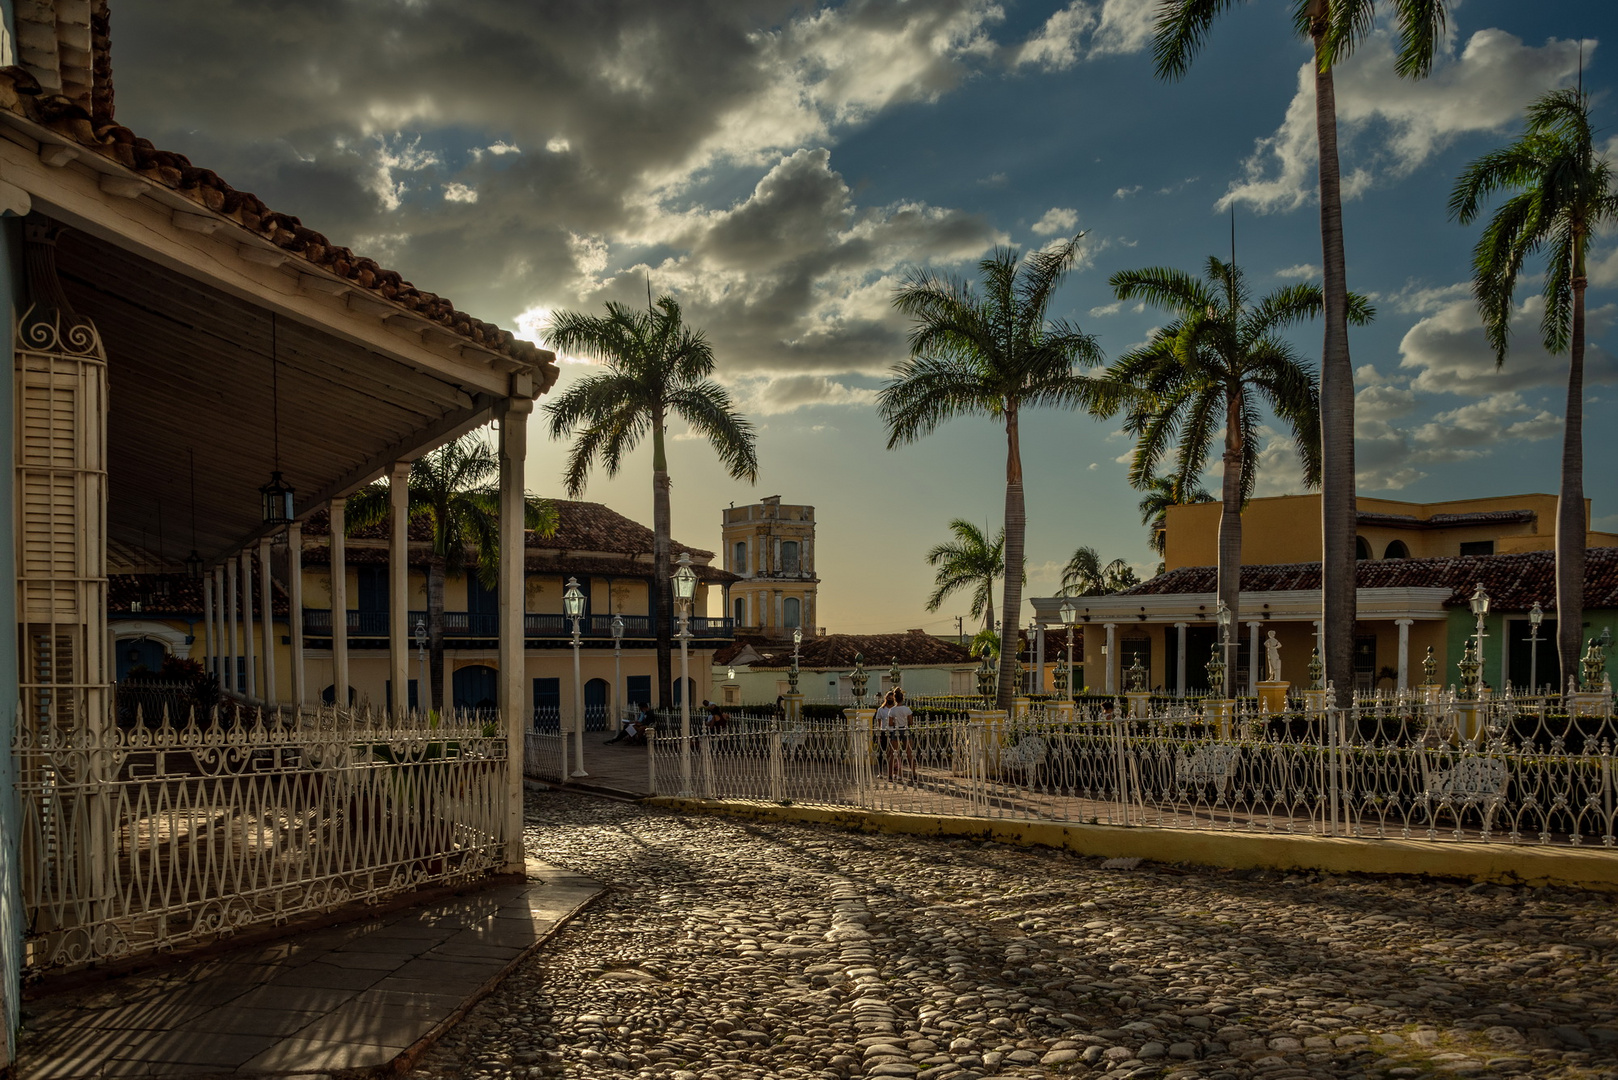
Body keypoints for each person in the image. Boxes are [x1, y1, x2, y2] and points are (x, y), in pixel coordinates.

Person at [887, 689, 915, 779]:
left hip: (897, 730)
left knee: (893, 753)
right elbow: (911, 722)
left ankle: (890, 775)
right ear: (902, 699)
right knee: (909, 753)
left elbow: (890, 723)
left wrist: (896, 723)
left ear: (894, 699)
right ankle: (913, 774)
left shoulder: (892, 710)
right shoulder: (907, 709)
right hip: (905, 729)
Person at [874, 692, 893, 775]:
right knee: (882, 751)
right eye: (889, 698)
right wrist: (879, 730)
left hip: (893, 731)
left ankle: (893, 770)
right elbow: (878, 720)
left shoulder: (895, 709)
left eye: (892, 698)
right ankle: (881, 771)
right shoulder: (881, 709)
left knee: (893, 751)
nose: (890, 699)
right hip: (884, 731)